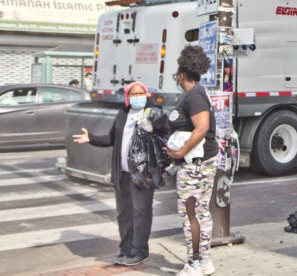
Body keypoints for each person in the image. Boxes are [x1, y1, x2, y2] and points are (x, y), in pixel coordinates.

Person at [72, 81, 168, 266]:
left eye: (141, 93)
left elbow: (165, 133)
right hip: (123, 172)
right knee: (124, 213)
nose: (138, 96)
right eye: (133, 94)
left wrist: (152, 127)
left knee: (141, 212)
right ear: (127, 96)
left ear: (146, 95)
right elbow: (112, 138)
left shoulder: (153, 112)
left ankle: (139, 251)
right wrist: (91, 138)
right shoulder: (123, 113)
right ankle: (126, 249)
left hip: (143, 172)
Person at [165, 45, 219, 276]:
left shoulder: (194, 94)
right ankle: (204, 261)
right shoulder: (198, 93)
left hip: (195, 164)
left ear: (182, 74)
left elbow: (202, 127)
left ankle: (193, 264)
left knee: (191, 215)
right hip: (201, 162)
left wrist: (180, 152)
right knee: (201, 212)